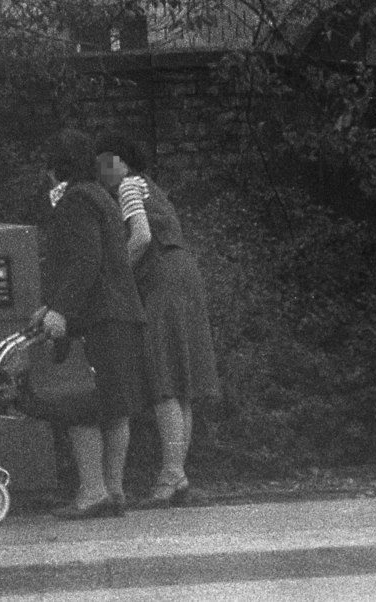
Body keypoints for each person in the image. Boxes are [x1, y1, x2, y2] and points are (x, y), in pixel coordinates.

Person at [21, 128, 149, 519]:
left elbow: (84, 261)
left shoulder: (75, 200)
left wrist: (60, 309)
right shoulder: (102, 197)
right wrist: (51, 305)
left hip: (97, 317)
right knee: (114, 407)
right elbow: (103, 259)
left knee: (81, 402)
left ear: (56, 168)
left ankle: (92, 492)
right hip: (122, 314)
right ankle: (114, 491)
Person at [94, 130, 222, 508]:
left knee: (162, 378)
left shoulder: (130, 186)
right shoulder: (150, 186)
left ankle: (172, 475)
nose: (102, 171)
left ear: (122, 161)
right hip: (183, 277)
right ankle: (175, 474)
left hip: (161, 279)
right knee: (180, 381)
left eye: (106, 162)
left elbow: (142, 237)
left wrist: (117, 278)